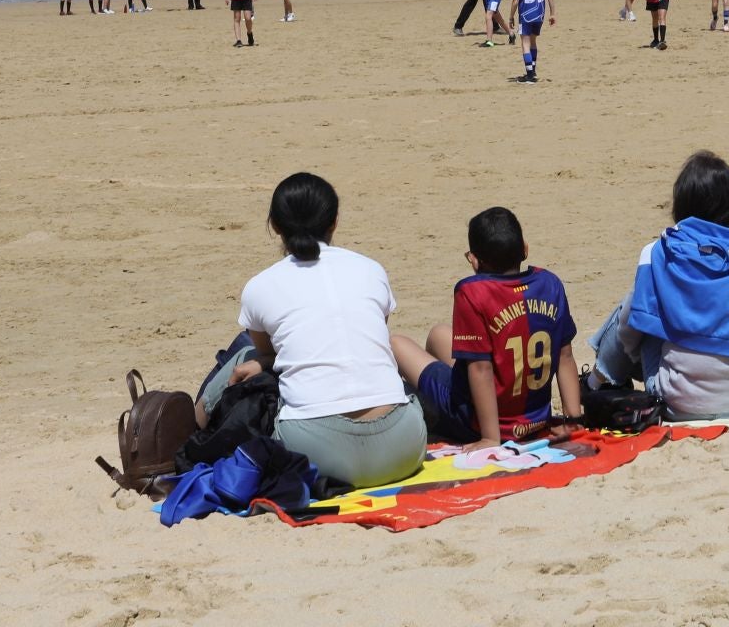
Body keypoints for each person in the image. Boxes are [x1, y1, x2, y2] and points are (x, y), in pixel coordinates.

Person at [194, 173, 425, 489]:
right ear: (334, 222)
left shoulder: (261, 285)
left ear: (275, 225)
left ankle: (197, 423)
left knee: (246, 352)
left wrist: (261, 361)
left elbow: (266, 350)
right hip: (403, 448)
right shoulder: (371, 269)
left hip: (315, 455)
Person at [584, 151, 729, 421]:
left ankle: (595, 383)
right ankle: (600, 377)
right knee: (651, 306)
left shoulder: (659, 252)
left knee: (637, 307)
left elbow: (630, 329)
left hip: (683, 405)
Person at [392, 207, 581, 446]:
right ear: (525, 249)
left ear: (474, 261)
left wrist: (490, 438)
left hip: (480, 421)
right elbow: (565, 356)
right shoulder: (550, 283)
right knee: (439, 334)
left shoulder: (472, 292)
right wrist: (574, 420)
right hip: (535, 418)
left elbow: (481, 369)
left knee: (395, 344)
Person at [508, 0, 552, 83]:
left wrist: (511, 17)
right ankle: (532, 71)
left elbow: (515, 1)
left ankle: (530, 76)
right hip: (539, 16)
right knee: (533, 42)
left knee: (525, 45)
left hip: (526, 16)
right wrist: (552, 14)